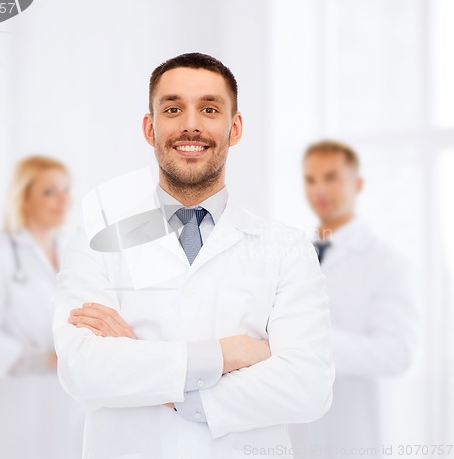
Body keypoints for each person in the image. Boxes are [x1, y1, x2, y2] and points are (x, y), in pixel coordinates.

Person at [52, 52, 335, 459]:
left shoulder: (285, 247)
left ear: (234, 128)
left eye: (209, 108)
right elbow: (82, 370)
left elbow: (309, 386)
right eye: (172, 108)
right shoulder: (99, 236)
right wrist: (232, 354)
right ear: (150, 128)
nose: (191, 125)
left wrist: (158, 378)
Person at [289, 141, 418, 459]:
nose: (320, 189)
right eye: (310, 179)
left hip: (353, 423)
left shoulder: (386, 260)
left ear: (357, 184)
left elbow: (397, 353)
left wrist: (312, 345)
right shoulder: (294, 253)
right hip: (294, 420)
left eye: (331, 177)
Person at [0, 155, 84, 459]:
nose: (63, 200)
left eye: (66, 189)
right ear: (23, 197)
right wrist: (40, 360)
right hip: (17, 401)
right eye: (49, 192)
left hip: (67, 398)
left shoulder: (72, 251)